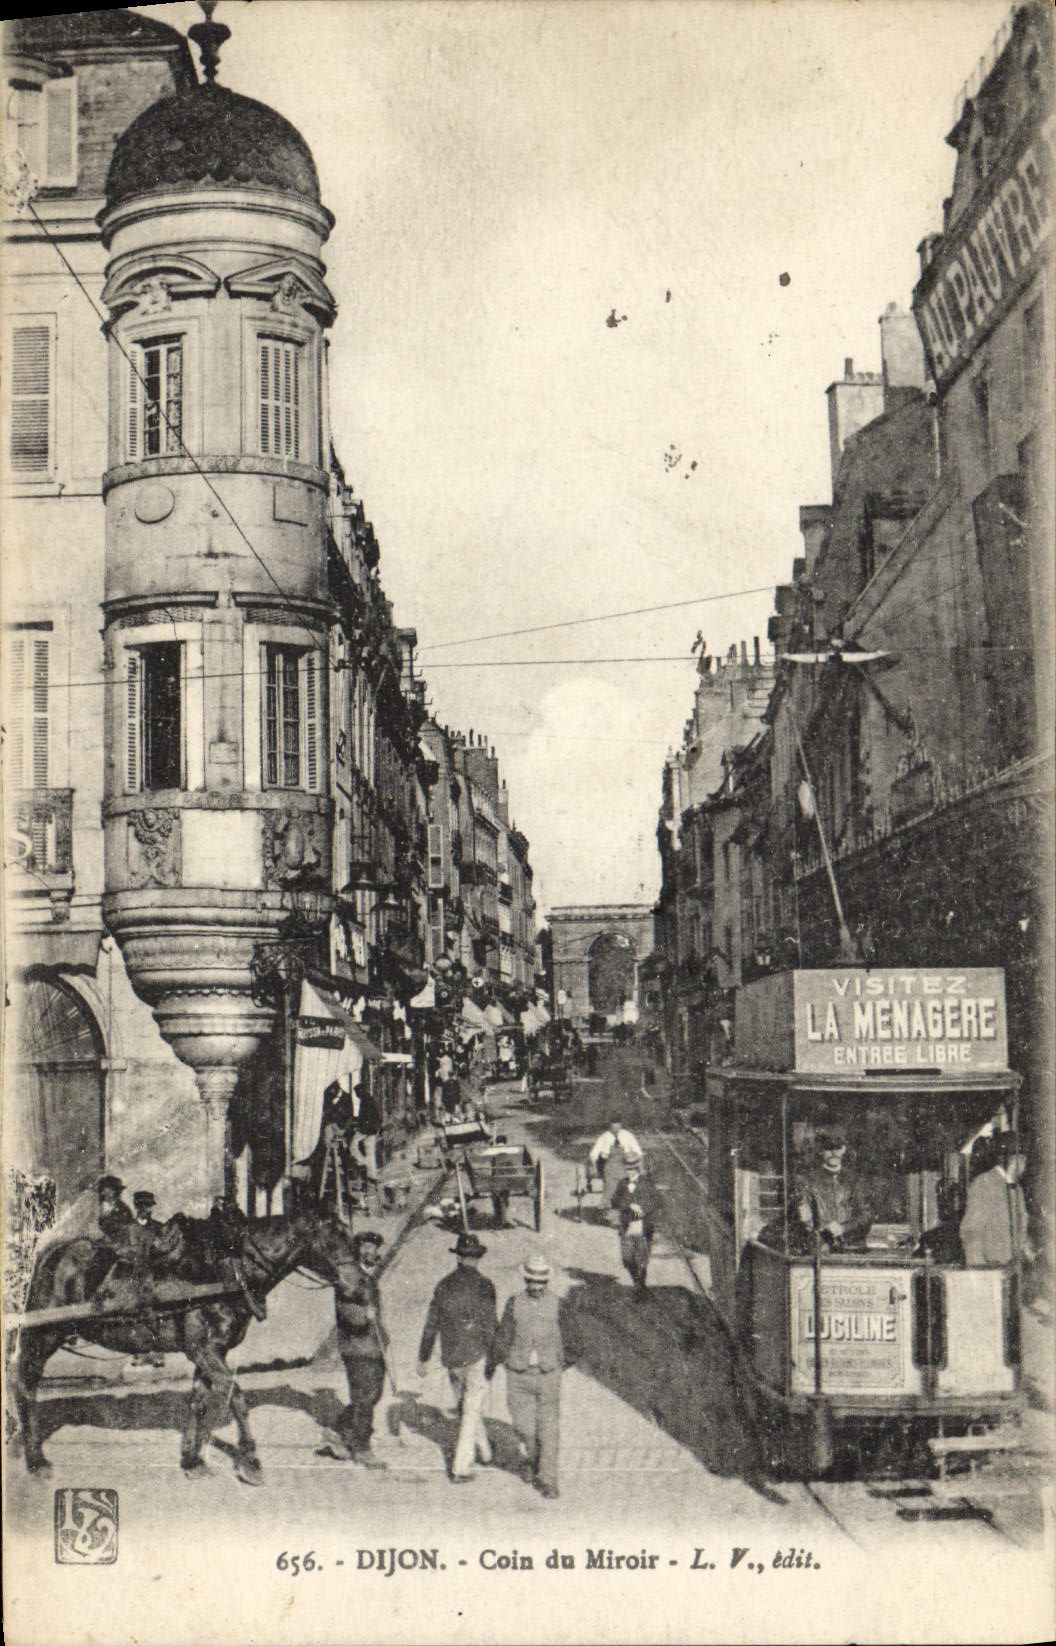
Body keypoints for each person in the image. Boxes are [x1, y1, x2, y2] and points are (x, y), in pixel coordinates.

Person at [417, 1232, 498, 1482]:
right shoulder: (485, 1286)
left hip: (451, 1355)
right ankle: (460, 1468)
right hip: (476, 1354)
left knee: (467, 1405)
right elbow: (490, 1325)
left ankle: (485, 1451)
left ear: (458, 1258)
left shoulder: (444, 1285)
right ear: (476, 1259)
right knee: (471, 1409)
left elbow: (432, 1323)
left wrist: (423, 1356)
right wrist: (494, 1357)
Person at [486, 1254, 564, 1499]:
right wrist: (491, 1364)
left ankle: (548, 1478)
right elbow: (503, 1336)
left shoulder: (559, 1304)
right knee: (524, 1428)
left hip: (548, 1375)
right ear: (525, 1279)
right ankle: (532, 1459)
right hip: (518, 1375)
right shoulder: (514, 1303)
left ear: (547, 1282)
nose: (536, 1287)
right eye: (531, 1281)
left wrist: (559, 1363)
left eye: (541, 1282)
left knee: (548, 1430)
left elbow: (574, 1339)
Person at [319, 1230, 390, 1468]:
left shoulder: (368, 1276)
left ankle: (337, 1431)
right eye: (365, 1247)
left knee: (374, 1394)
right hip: (357, 1347)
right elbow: (344, 1309)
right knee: (364, 1397)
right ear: (357, 1249)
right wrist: (363, 1317)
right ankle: (361, 1448)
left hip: (374, 1346)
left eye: (374, 1247)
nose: (371, 1251)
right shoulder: (348, 1275)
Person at [794, 1127, 871, 1250]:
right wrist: (824, 1227)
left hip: (853, 1249)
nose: (834, 1153)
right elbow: (804, 1218)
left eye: (837, 1148)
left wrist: (843, 1228)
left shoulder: (854, 1180)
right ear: (821, 1151)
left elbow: (865, 1216)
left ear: (844, 1149)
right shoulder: (808, 1181)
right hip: (823, 1250)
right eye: (828, 1148)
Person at [960, 1142, 1035, 1268]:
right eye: (1023, 1160)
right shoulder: (984, 1183)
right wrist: (980, 1272)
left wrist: (1026, 1249)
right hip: (992, 1270)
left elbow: (1018, 1228)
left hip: (1012, 1270)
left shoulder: (1017, 1189)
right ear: (1013, 1160)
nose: (1024, 1166)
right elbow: (971, 1232)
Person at [611, 1149, 662, 1296]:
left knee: (642, 1259)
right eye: (626, 1169)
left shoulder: (646, 1183)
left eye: (631, 1169)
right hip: (627, 1227)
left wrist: (644, 1209)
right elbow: (614, 1201)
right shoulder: (622, 1184)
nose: (628, 1172)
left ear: (636, 1169)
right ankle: (638, 1283)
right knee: (627, 1259)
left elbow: (657, 1201)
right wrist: (629, 1205)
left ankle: (640, 1287)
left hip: (643, 1227)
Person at [588, 1118, 643, 1208]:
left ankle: (627, 1204)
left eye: (618, 1127)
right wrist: (593, 1167)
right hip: (608, 1164)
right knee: (611, 1185)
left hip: (626, 1164)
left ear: (621, 1125)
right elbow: (593, 1155)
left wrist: (640, 1165)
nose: (616, 1130)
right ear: (610, 1126)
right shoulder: (604, 1137)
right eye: (613, 1128)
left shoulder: (628, 1135)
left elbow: (639, 1153)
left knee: (628, 1185)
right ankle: (606, 1204)